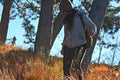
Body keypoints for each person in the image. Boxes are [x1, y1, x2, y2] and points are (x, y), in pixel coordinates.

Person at [59, 0, 97, 80]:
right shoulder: (66, 19)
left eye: (63, 11)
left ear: (67, 10)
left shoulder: (80, 15)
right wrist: (63, 47)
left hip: (80, 44)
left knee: (76, 65)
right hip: (68, 45)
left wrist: (92, 31)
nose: (62, 13)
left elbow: (92, 26)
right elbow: (66, 35)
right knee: (66, 66)